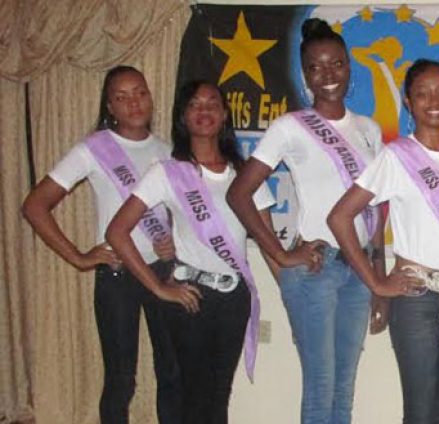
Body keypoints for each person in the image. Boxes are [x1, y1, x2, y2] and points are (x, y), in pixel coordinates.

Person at [226, 18, 385, 424]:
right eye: (316, 67)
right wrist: (280, 253)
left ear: (350, 67)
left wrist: (378, 280)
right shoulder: (290, 127)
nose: (328, 75)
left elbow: (378, 206)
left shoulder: (368, 129)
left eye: (336, 64)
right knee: (321, 387)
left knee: (344, 388)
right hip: (318, 268)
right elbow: (239, 193)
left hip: (359, 268)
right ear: (305, 75)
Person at [328, 59, 439, 424]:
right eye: (422, 93)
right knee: (420, 413)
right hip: (418, 300)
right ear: (408, 102)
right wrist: (376, 282)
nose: (433, 100)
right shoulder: (397, 157)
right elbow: (340, 217)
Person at [106, 81, 274, 424]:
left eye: (212, 103)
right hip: (190, 297)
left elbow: (268, 239)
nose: (204, 111)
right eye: (195, 104)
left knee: (219, 396)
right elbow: (117, 231)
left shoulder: (244, 175)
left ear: (225, 114)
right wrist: (158, 287)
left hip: (233, 298)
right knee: (194, 397)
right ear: (183, 116)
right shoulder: (168, 172)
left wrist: (292, 283)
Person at [21, 65, 181, 424]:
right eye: (121, 97)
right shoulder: (95, 149)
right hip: (118, 275)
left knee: (172, 371)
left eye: (139, 92)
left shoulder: (168, 150)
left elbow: (180, 210)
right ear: (110, 106)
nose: (133, 103)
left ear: (150, 96)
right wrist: (79, 257)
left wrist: (173, 240)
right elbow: (35, 206)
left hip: (162, 271)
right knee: (121, 380)